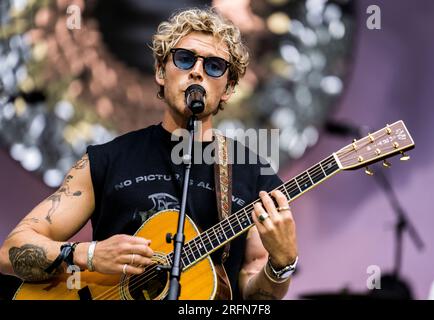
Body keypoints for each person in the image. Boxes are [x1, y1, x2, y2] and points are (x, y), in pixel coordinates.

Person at [0, 7, 298, 300]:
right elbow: (11, 250)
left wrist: (281, 264)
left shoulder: (254, 175)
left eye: (214, 66)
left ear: (228, 88)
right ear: (160, 71)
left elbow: (256, 299)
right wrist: (89, 254)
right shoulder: (107, 160)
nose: (196, 71)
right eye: (184, 59)